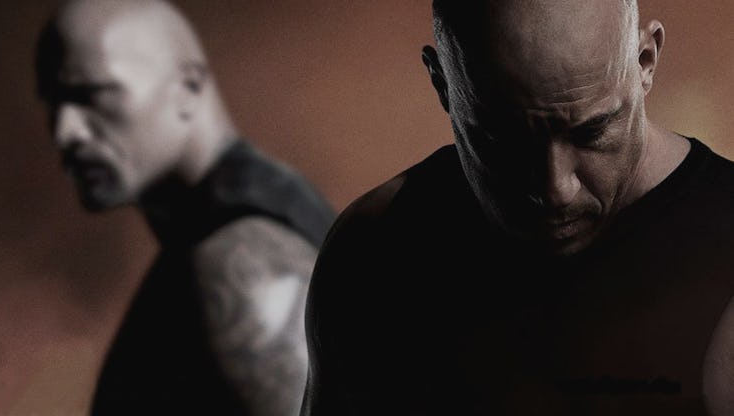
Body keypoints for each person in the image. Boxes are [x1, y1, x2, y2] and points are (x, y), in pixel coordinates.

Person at [302, 1, 734, 415]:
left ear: (645, 61)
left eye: (591, 132)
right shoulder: (372, 250)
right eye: (503, 139)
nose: (556, 189)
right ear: (442, 84)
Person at [34, 0, 336, 415]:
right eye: (53, 102)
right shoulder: (224, 232)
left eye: (90, 95)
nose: (64, 132)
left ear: (188, 86)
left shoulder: (243, 264)